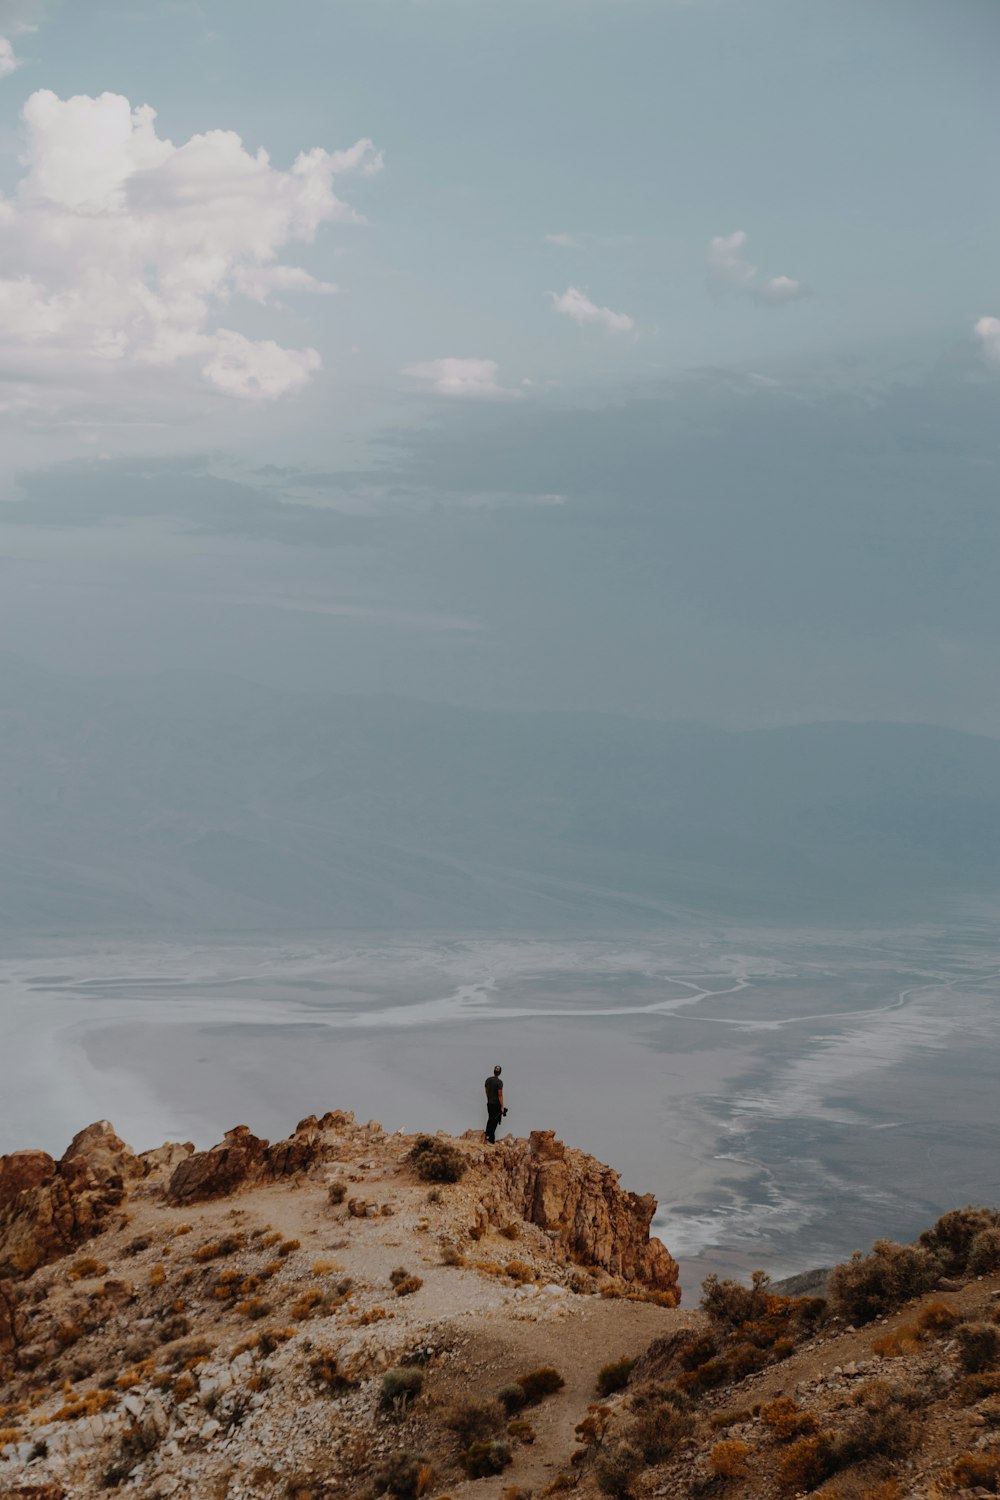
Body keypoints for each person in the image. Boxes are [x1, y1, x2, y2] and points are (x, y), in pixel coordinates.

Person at [484, 1064, 506, 1144]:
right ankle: (490, 1139)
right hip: (496, 1104)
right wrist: (502, 1106)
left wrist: (489, 1099)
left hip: (489, 1103)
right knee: (495, 1121)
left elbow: (486, 1091)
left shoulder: (488, 1080)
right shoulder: (499, 1082)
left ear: (494, 1071)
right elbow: (500, 1095)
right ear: (500, 1073)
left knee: (490, 1119)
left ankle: (488, 1136)